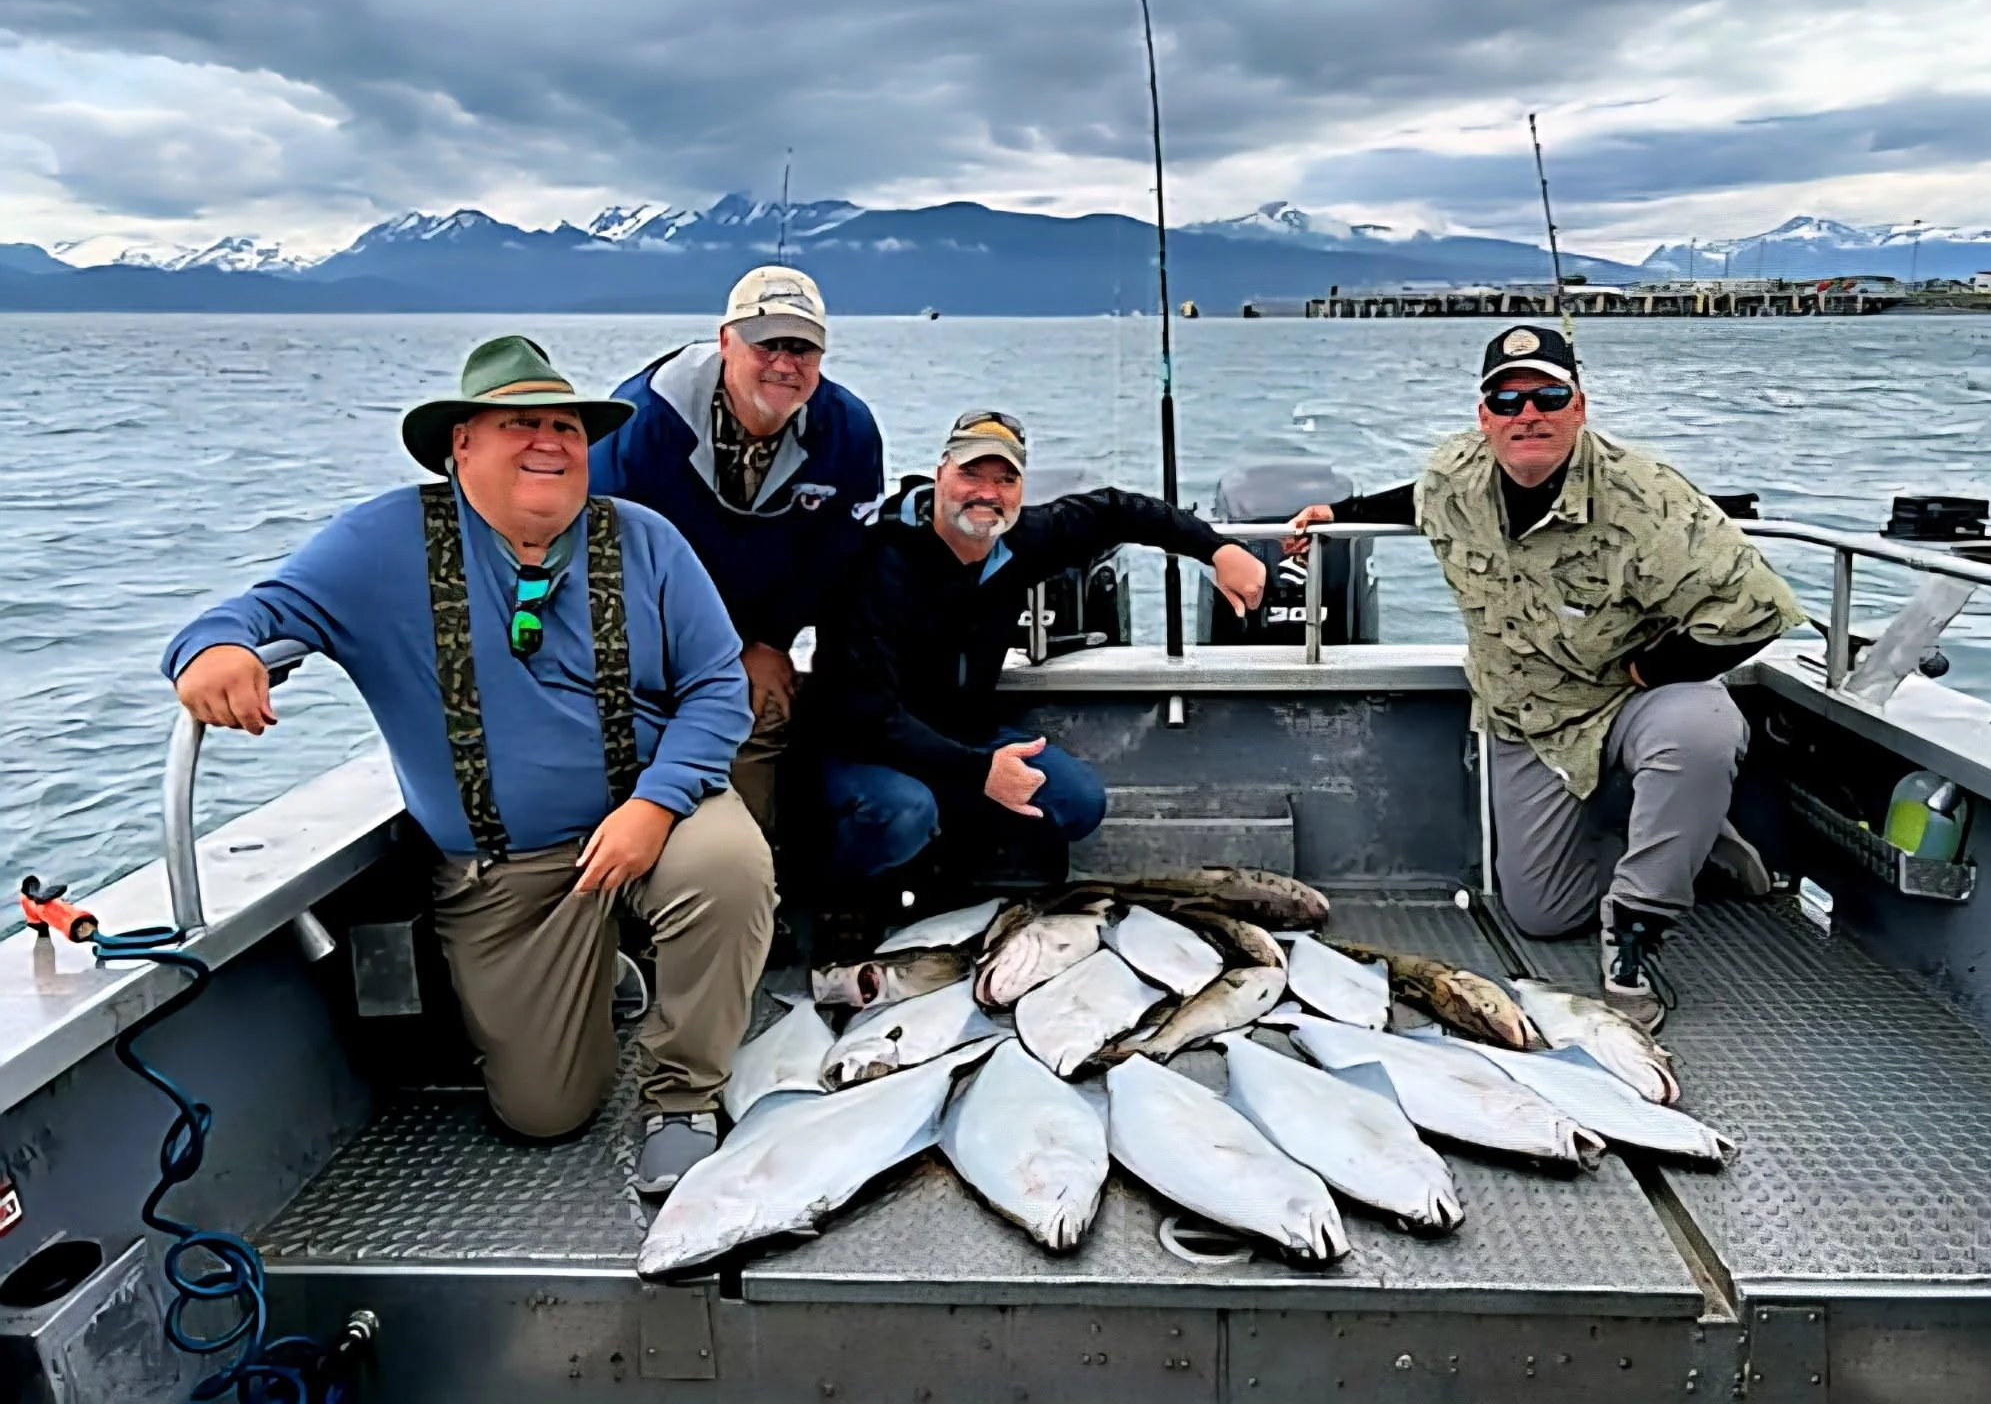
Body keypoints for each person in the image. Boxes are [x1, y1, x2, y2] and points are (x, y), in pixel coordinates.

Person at [164, 336, 775, 1193]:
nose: (550, 442)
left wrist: (657, 805)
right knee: (542, 1114)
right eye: (520, 423)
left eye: (566, 426)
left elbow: (718, 689)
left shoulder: (648, 540)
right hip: (503, 872)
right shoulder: (383, 542)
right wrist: (213, 653)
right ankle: (607, 975)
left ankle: (685, 1095)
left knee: (729, 868)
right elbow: (256, 611)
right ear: (462, 445)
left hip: (650, 820)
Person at [1286, 325, 1802, 1028]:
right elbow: (1421, 499)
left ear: (1579, 406)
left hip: (1629, 698)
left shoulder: (1646, 497)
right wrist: (1339, 515)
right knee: (1542, 914)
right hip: (1525, 718)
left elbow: (1760, 609)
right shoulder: (1454, 475)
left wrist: (1651, 668)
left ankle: (1640, 926)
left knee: (1702, 728)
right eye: (1507, 399)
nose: (1528, 412)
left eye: (1548, 395)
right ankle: (1695, 842)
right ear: (1484, 418)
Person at [797, 409, 1270, 958]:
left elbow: (1117, 510)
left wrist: (1216, 549)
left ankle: (956, 871)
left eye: (1006, 479)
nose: (987, 493)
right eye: (972, 474)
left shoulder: (1024, 539)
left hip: (962, 734)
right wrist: (980, 772)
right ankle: (840, 896)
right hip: (862, 748)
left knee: (1078, 800)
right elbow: (865, 712)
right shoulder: (877, 561)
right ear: (940, 473)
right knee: (906, 812)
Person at [589, 267, 883, 838]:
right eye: (766, 342)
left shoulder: (849, 432)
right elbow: (602, 556)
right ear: (726, 340)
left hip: (756, 637)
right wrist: (692, 658)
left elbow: (841, 552)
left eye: (802, 347)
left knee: (761, 713)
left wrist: (772, 641)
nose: (784, 363)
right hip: (644, 637)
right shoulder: (640, 423)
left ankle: (757, 896)